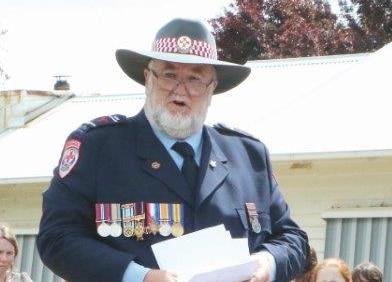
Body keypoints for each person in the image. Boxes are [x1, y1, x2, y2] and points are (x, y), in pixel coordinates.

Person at [36, 18, 309, 282]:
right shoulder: (98, 147)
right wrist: (138, 277)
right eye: (169, 75)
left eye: (195, 78)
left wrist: (267, 264)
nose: (180, 89)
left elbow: (294, 240)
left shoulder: (249, 157)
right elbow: (57, 237)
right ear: (148, 78)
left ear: (212, 88)